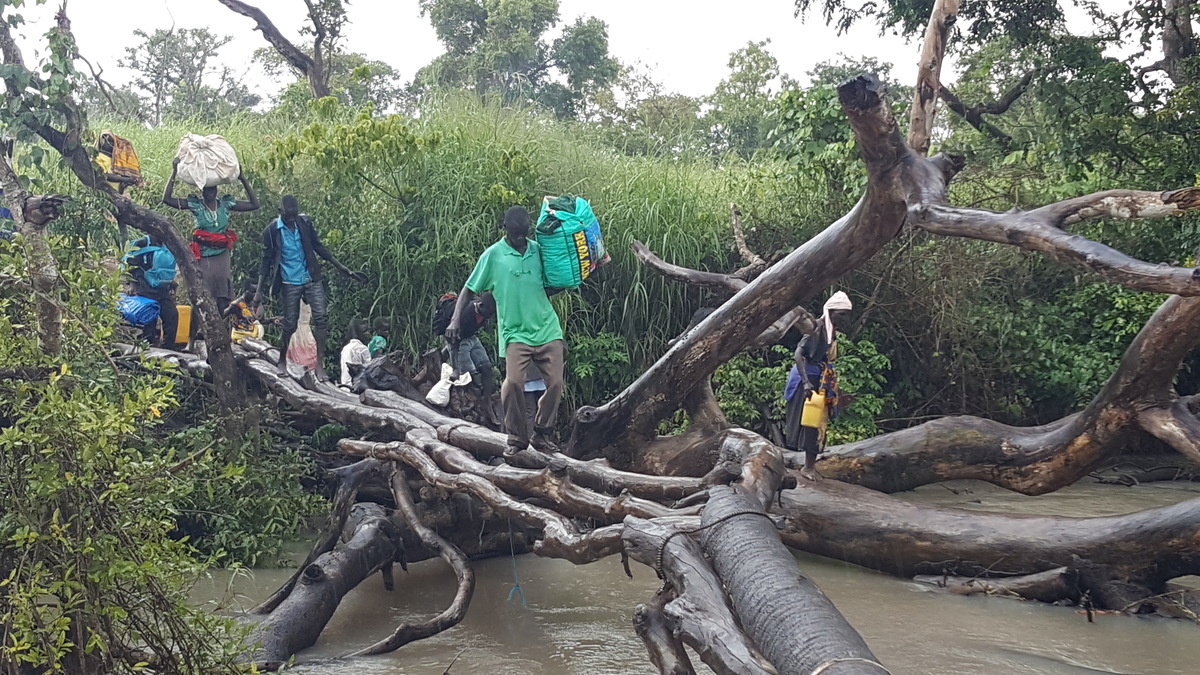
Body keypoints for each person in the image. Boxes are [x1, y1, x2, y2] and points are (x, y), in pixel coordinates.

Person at [446, 206, 564, 457]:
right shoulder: (493, 255)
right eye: (515, 235)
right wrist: (455, 320)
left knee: (554, 383)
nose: (521, 240)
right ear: (505, 229)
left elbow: (557, 278)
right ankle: (517, 436)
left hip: (546, 328)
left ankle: (542, 433)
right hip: (515, 333)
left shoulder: (537, 250)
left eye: (524, 235)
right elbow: (468, 288)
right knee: (512, 384)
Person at [252, 195, 367, 381]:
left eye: (294, 215)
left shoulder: (304, 223)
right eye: (288, 216)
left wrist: (341, 267)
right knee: (290, 324)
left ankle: (319, 364)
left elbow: (318, 247)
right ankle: (282, 359)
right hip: (289, 281)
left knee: (321, 318)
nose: (292, 219)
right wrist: (259, 292)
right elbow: (265, 262)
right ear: (280, 212)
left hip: (310, 277)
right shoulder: (272, 231)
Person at [162, 156, 260, 312]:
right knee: (202, 297)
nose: (210, 192)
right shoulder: (196, 205)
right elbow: (167, 199)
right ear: (202, 190)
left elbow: (254, 204)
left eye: (213, 189)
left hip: (221, 255)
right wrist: (173, 172)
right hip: (202, 255)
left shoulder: (225, 205)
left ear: (217, 189)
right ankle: (194, 335)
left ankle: (220, 332)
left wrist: (243, 178)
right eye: (207, 189)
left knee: (222, 297)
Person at [784, 291, 853, 481]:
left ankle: (809, 465)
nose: (844, 318)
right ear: (831, 312)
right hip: (806, 377)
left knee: (818, 422)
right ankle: (806, 467)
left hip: (821, 378)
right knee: (809, 422)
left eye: (846, 314)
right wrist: (806, 382)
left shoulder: (832, 332)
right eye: (841, 313)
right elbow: (799, 353)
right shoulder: (816, 328)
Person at [123, 234, 180, 349]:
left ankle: (167, 348)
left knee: (172, 316)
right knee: (149, 320)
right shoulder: (143, 242)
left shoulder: (168, 245)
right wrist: (132, 284)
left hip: (162, 288)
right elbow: (128, 262)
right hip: (145, 287)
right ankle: (148, 348)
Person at [340, 318, 372, 387]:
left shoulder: (345, 348)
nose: (368, 334)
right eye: (364, 331)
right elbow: (369, 370)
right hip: (359, 388)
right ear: (357, 333)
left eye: (368, 331)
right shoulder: (363, 349)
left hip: (345, 387)